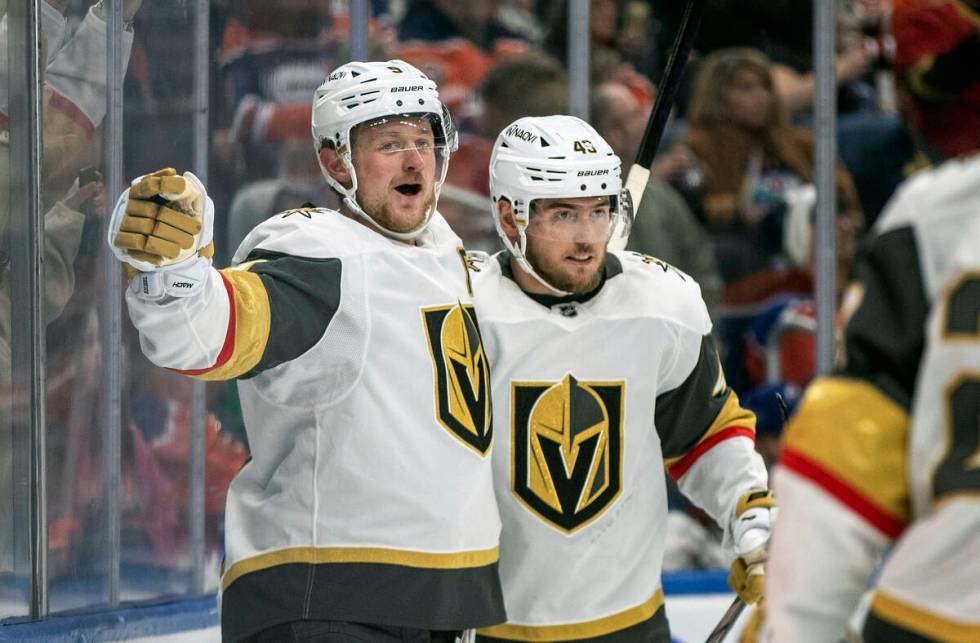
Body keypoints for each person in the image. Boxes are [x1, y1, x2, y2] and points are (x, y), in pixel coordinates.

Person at [107, 59, 504, 642]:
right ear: (335, 160)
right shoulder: (324, 257)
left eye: (425, 140)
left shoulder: (453, 264)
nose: (416, 159)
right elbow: (216, 331)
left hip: (439, 605)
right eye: (390, 143)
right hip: (327, 603)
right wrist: (172, 277)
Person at [470, 115, 773, 641]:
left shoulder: (661, 305)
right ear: (509, 215)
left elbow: (704, 434)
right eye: (564, 214)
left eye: (598, 211)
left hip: (630, 626)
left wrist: (749, 515)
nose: (588, 237)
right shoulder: (461, 309)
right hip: (491, 628)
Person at [763, 109, 980, 643]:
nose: (843, 230)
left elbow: (846, 445)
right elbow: (779, 409)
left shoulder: (941, 209)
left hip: (936, 607)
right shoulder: (787, 313)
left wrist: (792, 625)